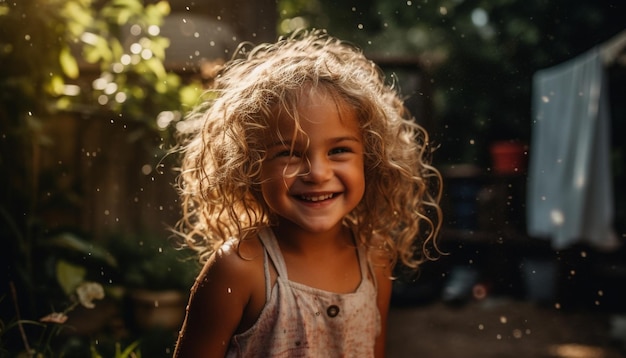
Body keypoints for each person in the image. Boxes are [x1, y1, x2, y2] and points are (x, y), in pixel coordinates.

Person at [172, 29, 442, 357]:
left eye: (339, 150)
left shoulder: (374, 260)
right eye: (288, 153)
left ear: (370, 161)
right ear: (251, 166)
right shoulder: (240, 269)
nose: (317, 173)